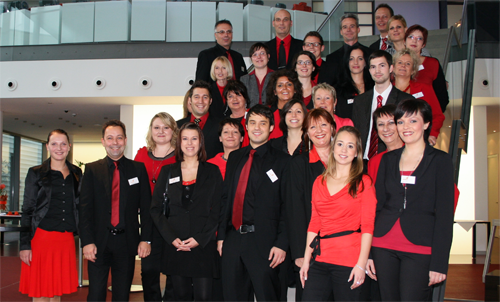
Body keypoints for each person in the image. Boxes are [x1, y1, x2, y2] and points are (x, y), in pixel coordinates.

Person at [369, 99, 454, 301]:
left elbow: (444, 215)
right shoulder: (387, 160)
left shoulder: (440, 161)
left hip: (420, 247)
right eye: (401, 121)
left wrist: (439, 263)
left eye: (412, 121)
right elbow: (378, 207)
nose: (405, 127)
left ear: (426, 124)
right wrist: (369, 253)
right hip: (383, 245)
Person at [218, 104, 290, 302]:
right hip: (233, 240)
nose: (257, 127)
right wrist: (222, 236)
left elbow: (287, 207)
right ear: (246, 126)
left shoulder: (284, 161)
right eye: (252, 123)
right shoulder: (235, 157)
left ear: (271, 127)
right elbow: (226, 198)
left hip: (265, 243)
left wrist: (281, 244)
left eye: (262, 123)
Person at [300, 126, 377, 301]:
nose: (344, 150)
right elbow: (314, 222)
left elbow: (367, 226)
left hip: (349, 262)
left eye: (350, 146)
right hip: (320, 260)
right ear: (333, 147)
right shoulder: (319, 182)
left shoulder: (364, 182)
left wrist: (361, 264)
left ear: (356, 152)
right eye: (340, 144)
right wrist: (306, 259)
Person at [79, 120, 152, 302]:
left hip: (126, 243)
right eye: (110, 138)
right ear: (103, 141)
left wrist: (146, 239)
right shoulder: (92, 170)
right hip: (98, 243)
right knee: (95, 295)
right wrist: (87, 242)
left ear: (125, 140)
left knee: (121, 295)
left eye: (119, 138)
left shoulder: (138, 169)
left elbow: (146, 207)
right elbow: (84, 210)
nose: (115, 142)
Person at [150, 122, 222, 302]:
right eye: (185, 139)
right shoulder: (168, 171)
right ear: (179, 143)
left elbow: (218, 208)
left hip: (203, 245)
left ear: (200, 142)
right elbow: (156, 208)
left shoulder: (212, 171)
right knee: (179, 296)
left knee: (204, 297)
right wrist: (170, 237)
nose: (190, 143)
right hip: (176, 244)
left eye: (194, 138)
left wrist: (200, 238)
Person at [19, 129, 82, 302]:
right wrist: (25, 245)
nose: (59, 148)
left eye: (63, 144)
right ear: (47, 147)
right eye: (54, 144)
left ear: (69, 147)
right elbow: (28, 209)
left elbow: (79, 206)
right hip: (41, 239)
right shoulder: (36, 173)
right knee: (41, 293)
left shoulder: (77, 173)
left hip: (66, 240)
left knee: (57, 291)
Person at [285, 108, 336, 302]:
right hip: (311, 250)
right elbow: (294, 210)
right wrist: (299, 253)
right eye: (313, 126)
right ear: (306, 132)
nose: (319, 130)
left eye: (324, 124)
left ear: (332, 128)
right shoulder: (299, 164)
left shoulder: (346, 161)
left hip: (342, 247)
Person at [134, 112, 178, 302]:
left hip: (173, 221)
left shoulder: (181, 155)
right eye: (157, 127)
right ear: (151, 131)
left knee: (173, 272)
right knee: (149, 270)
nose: (161, 131)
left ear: (173, 131)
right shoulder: (141, 154)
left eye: (166, 127)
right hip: (149, 221)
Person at [351, 50, 413, 161]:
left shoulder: (405, 100)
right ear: (369, 70)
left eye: (382, 66)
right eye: (373, 67)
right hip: (362, 162)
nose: (377, 71)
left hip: (392, 160)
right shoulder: (360, 101)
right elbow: (356, 133)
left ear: (391, 68)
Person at [392, 49, 445, 146]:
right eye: (400, 62)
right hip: (392, 142)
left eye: (408, 64)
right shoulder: (386, 90)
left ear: (413, 70)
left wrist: (432, 134)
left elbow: (438, 116)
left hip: (418, 140)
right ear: (393, 68)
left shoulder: (425, 88)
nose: (403, 65)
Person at [317, 13, 372, 87]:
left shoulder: (370, 53)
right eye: (345, 27)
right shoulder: (332, 58)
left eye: (352, 26)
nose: (348, 30)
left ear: (358, 29)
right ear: (341, 32)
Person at [405, 24, 449, 112]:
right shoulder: (396, 64)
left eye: (419, 38)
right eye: (411, 37)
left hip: (427, 115)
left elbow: (442, 95)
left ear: (423, 44)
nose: (414, 41)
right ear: (404, 41)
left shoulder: (433, 63)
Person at [177, 80, 223, 159]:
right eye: (196, 97)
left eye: (205, 97)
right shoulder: (177, 126)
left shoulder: (221, 125)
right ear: (190, 100)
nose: (201, 101)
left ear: (210, 101)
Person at [195, 20, 247, 84]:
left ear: (232, 35)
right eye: (222, 32)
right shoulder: (206, 55)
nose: (226, 35)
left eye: (229, 32)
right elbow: (200, 83)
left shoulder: (238, 57)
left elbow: (245, 81)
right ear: (216, 36)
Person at [335, 45, 375, 119]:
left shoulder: (374, 87)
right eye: (351, 59)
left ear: (365, 62)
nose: (355, 62)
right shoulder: (339, 89)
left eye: (360, 59)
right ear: (347, 62)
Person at [367, 104, 404, 181]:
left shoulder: (413, 156)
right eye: (381, 124)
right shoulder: (374, 162)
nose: (385, 129)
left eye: (391, 123)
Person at [266, 69, 303, 140]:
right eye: (280, 85)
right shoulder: (267, 113)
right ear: (275, 92)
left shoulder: (304, 113)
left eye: (289, 84)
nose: (285, 88)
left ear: (295, 90)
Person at [240, 43, 274, 107]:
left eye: (262, 53)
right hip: (251, 115)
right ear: (251, 59)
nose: (259, 57)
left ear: (268, 56)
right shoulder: (244, 80)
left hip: (273, 115)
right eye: (255, 54)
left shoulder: (276, 77)